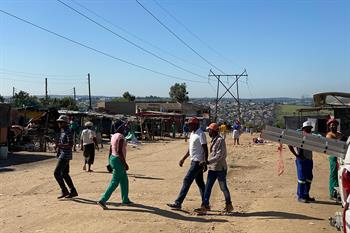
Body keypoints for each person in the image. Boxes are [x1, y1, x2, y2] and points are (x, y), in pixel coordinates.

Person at [167, 117, 208, 210]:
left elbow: (205, 149)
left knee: (187, 180)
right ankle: (206, 203)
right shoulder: (192, 134)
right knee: (200, 183)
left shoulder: (201, 134)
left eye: (190, 124)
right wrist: (183, 159)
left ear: (195, 125)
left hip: (198, 162)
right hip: (193, 161)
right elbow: (190, 149)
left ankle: (178, 203)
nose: (188, 126)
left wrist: (205, 162)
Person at [195, 123, 233, 213]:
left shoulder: (220, 140)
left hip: (220, 168)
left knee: (223, 187)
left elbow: (219, 155)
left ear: (214, 131)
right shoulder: (213, 140)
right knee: (208, 187)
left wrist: (207, 162)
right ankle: (205, 205)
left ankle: (229, 204)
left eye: (210, 130)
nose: (208, 132)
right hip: (212, 168)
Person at [97, 120, 132, 209]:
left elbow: (110, 149)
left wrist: (109, 161)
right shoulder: (120, 137)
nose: (125, 127)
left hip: (113, 158)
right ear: (120, 127)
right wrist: (125, 163)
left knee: (124, 180)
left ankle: (125, 199)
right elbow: (119, 151)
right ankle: (103, 200)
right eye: (124, 126)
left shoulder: (113, 136)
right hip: (118, 160)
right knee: (115, 182)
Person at [288, 121, 315, 203]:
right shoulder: (299, 137)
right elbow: (290, 144)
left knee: (309, 178)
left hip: (309, 160)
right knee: (302, 178)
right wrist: (297, 155)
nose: (309, 130)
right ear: (303, 129)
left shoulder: (311, 137)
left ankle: (306, 194)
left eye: (310, 128)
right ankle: (300, 196)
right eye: (308, 129)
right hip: (302, 160)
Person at [54, 115, 78, 199]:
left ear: (65, 123)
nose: (59, 123)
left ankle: (64, 190)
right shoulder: (63, 131)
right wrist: (58, 147)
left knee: (56, 173)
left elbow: (71, 144)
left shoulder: (68, 131)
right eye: (58, 122)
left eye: (60, 122)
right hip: (63, 154)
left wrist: (60, 145)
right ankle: (73, 191)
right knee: (64, 174)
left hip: (65, 155)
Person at [326, 118, 344, 199]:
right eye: (331, 125)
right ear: (329, 126)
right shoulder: (329, 135)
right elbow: (332, 146)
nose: (333, 126)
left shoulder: (339, 134)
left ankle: (338, 192)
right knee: (333, 174)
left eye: (334, 124)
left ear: (337, 125)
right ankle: (332, 193)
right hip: (333, 156)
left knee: (340, 174)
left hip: (340, 156)